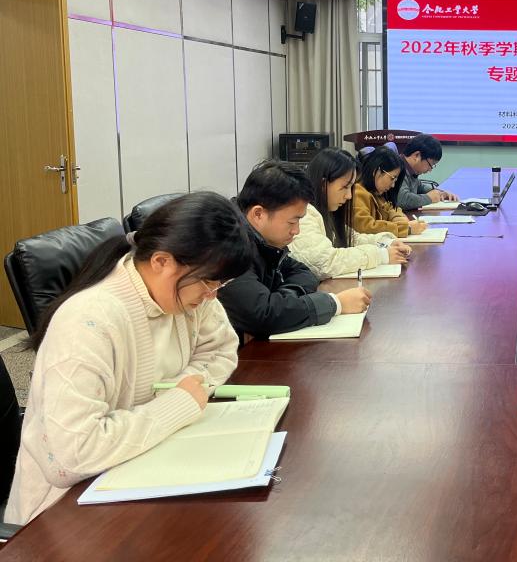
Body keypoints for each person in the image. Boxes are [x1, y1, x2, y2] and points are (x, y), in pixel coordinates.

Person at [5, 192, 253, 524]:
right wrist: (177, 404)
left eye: (220, 283)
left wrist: (180, 393)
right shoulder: (88, 322)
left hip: (148, 463)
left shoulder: (187, 293)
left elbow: (221, 349)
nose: (212, 295)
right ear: (162, 261)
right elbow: (73, 454)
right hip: (66, 511)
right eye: (208, 281)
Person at [217, 160, 372, 340]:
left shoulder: (266, 241)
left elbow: (304, 272)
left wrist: (284, 298)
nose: (296, 231)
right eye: (292, 222)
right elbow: (262, 315)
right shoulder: (227, 245)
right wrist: (335, 303)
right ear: (258, 214)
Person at [290, 147, 413, 280]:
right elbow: (325, 262)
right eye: (344, 187)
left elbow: (352, 238)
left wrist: (386, 243)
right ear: (323, 184)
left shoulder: (328, 211)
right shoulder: (304, 215)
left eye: (350, 187)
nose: (349, 196)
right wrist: (381, 255)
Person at [352, 147, 429, 237]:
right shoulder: (358, 193)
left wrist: (398, 217)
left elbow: (391, 208)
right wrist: (407, 228)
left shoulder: (377, 192)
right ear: (376, 171)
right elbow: (366, 227)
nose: (393, 185)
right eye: (392, 178)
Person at [397, 134, 459, 210]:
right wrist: (429, 198)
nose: (430, 170)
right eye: (430, 164)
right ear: (417, 155)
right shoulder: (397, 168)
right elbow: (402, 200)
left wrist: (440, 193)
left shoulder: (411, 171)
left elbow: (419, 187)